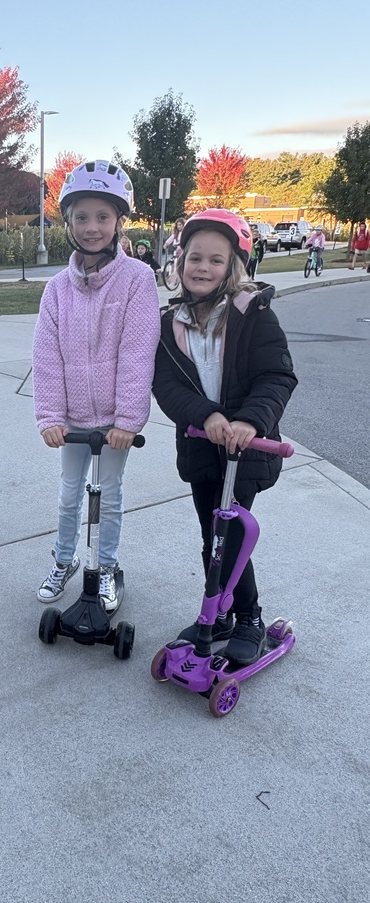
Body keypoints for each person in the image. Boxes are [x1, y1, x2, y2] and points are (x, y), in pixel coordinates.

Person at [152, 209, 298, 665]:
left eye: (216, 260)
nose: (203, 267)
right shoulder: (169, 322)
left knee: (228, 537)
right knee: (209, 537)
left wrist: (250, 421)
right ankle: (222, 612)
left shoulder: (254, 315)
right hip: (200, 445)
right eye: (194, 257)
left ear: (234, 266)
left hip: (245, 451)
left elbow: (276, 376)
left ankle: (250, 615)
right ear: (180, 262)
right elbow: (166, 385)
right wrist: (207, 415)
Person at [32, 159, 161, 611]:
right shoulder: (57, 290)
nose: (92, 227)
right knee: (70, 496)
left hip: (113, 423)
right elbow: (46, 358)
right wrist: (50, 416)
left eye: (103, 217)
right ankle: (64, 560)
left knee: (108, 496)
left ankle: (105, 566)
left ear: (118, 221)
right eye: (82, 217)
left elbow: (138, 351)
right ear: (67, 221)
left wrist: (127, 419)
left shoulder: (137, 280)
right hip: (70, 422)